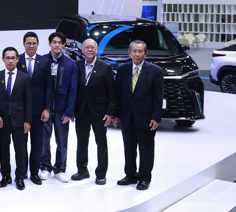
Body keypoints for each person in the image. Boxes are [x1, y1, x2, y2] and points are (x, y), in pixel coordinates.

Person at [114, 40, 163, 191]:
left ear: (145, 53)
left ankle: (144, 177)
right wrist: (115, 114)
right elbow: (117, 93)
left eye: (140, 51)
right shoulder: (122, 70)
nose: (137, 54)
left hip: (146, 117)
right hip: (127, 116)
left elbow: (158, 97)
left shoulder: (155, 71)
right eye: (134, 51)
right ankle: (130, 175)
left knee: (146, 149)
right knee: (129, 148)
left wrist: (156, 117)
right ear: (129, 53)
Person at [72, 38, 117, 185]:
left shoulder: (105, 67)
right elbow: (74, 90)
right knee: (81, 142)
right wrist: (72, 109)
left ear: (97, 50)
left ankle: (101, 174)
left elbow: (111, 92)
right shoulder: (77, 65)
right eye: (86, 47)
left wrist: (110, 112)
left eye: (92, 47)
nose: (89, 49)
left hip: (100, 112)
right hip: (81, 111)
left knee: (101, 143)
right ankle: (82, 170)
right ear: (82, 50)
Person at [0, 46, 32, 190]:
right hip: (2, 120)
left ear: (17, 59)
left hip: (19, 119)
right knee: (4, 149)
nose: (10, 61)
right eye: (7, 58)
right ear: (3, 59)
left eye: (13, 58)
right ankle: (5, 176)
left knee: (20, 150)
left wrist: (28, 120)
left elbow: (28, 101)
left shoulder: (24, 77)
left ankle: (20, 177)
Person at [39, 32, 78, 183]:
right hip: (46, 109)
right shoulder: (42, 61)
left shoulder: (70, 64)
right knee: (44, 139)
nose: (56, 45)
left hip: (62, 110)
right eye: (54, 42)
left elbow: (73, 90)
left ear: (63, 45)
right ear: (49, 43)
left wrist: (69, 111)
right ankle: (45, 167)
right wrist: (43, 107)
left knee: (62, 141)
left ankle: (60, 169)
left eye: (59, 42)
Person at [18, 32, 53, 185]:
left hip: (39, 110)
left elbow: (49, 86)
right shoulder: (17, 60)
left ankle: (34, 172)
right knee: (21, 144)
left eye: (34, 43)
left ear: (38, 44)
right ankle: (22, 172)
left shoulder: (44, 62)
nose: (31, 46)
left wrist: (47, 108)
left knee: (37, 143)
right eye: (28, 43)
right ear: (24, 44)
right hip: (21, 110)